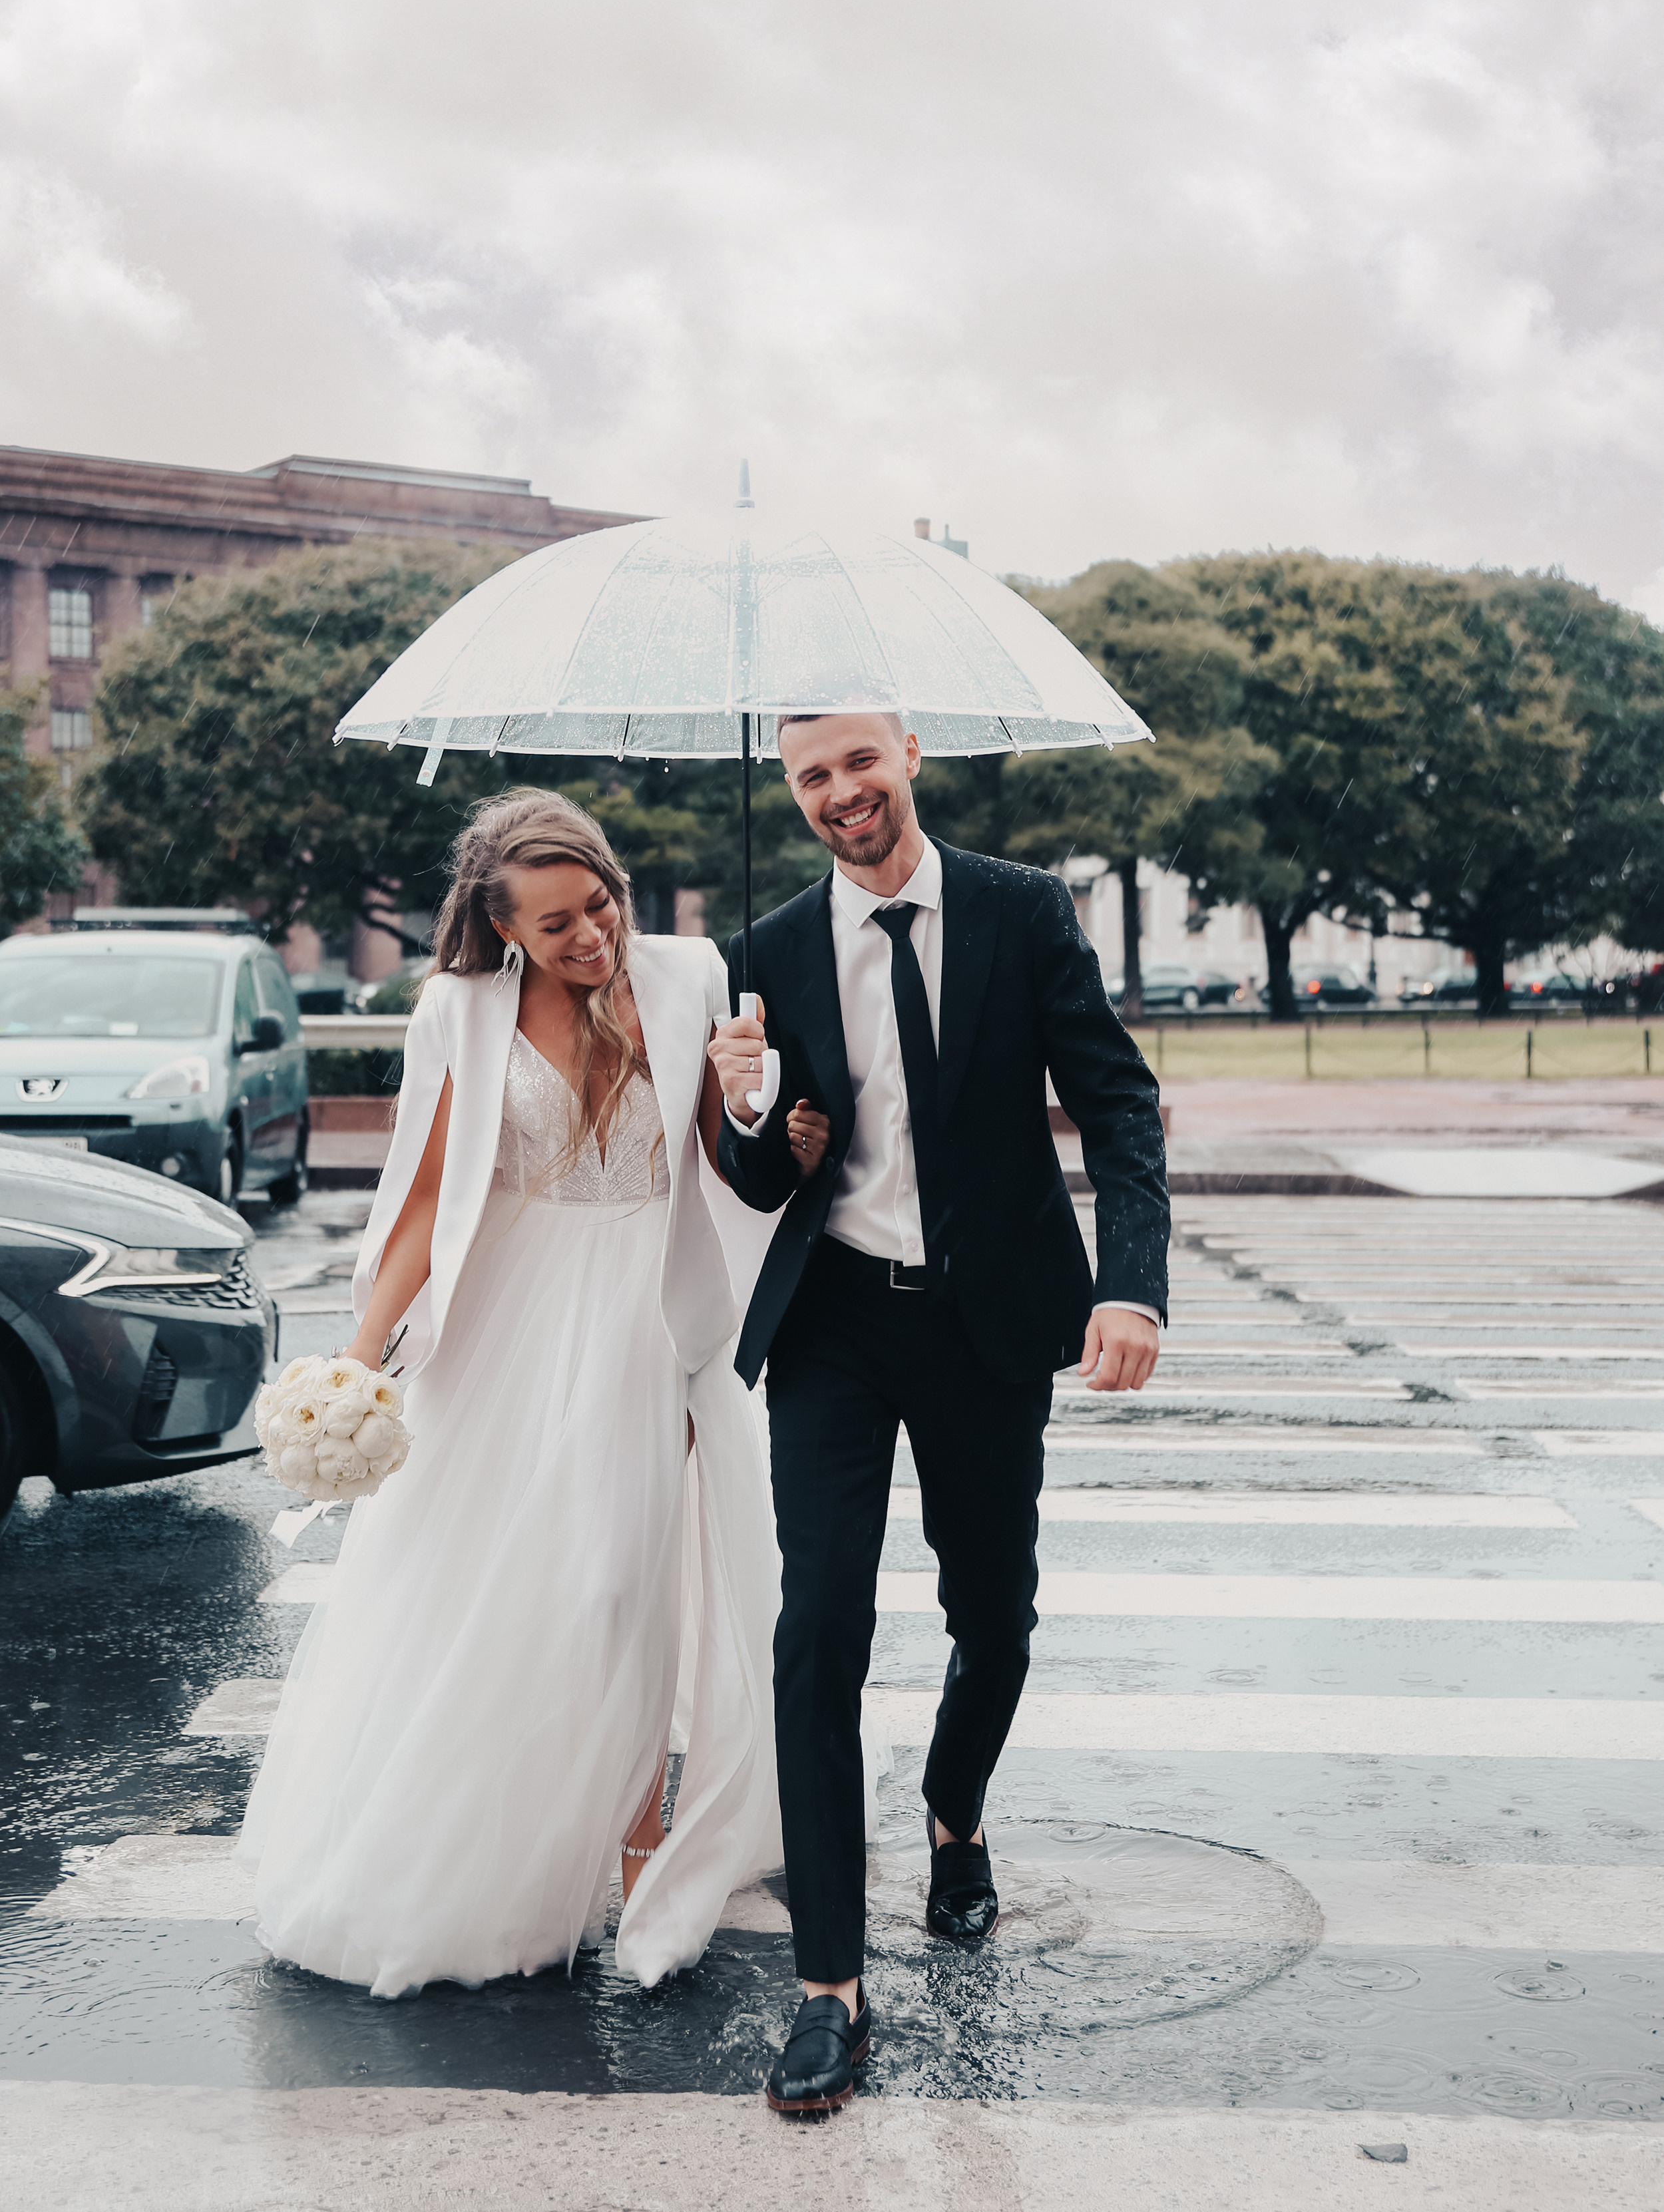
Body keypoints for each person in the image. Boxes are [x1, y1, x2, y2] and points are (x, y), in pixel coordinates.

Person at [239, 791, 819, 1996]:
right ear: (502, 929)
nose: (591, 934)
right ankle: (502, 1851)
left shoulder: (693, 973)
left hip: (650, 1321)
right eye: (555, 924)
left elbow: (735, 1161)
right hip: (507, 1322)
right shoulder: (459, 1006)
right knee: (497, 1593)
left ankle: (645, 1853)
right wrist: (359, 1355)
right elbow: (425, 1196)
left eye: (598, 902)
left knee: (624, 1585)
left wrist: (747, 1092)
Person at [710, 713, 1169, 2114]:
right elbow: (755, 1180)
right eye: (809, 776)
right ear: (790, 793)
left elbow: (1117, 1103)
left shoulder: (1023, 909)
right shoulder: (766, 949)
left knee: (994, 1615)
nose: (840, 794)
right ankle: (826, 1988)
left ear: (906, 752)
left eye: (858, 762)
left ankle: (954, 1817)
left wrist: (1129, 1287)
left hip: (988, 1323)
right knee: (818, 1630)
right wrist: (746, 1119)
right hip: (835, 1324)